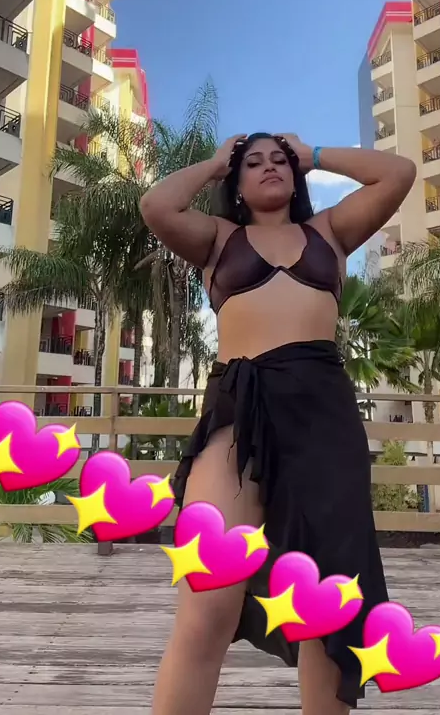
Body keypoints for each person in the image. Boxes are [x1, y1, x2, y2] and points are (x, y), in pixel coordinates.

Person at [140, 133, 416, 715]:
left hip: (323, 420)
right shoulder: (218, 239)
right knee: (209, 599)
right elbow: (157, 205)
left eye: (280, 161)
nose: (269, 167)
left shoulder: (330, 232)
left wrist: (314, 154)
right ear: (237, 184)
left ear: (297, 177)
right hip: (237, 417)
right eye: (254, 162)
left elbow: (397, 172)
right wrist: (214, 163)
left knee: (326, 600)